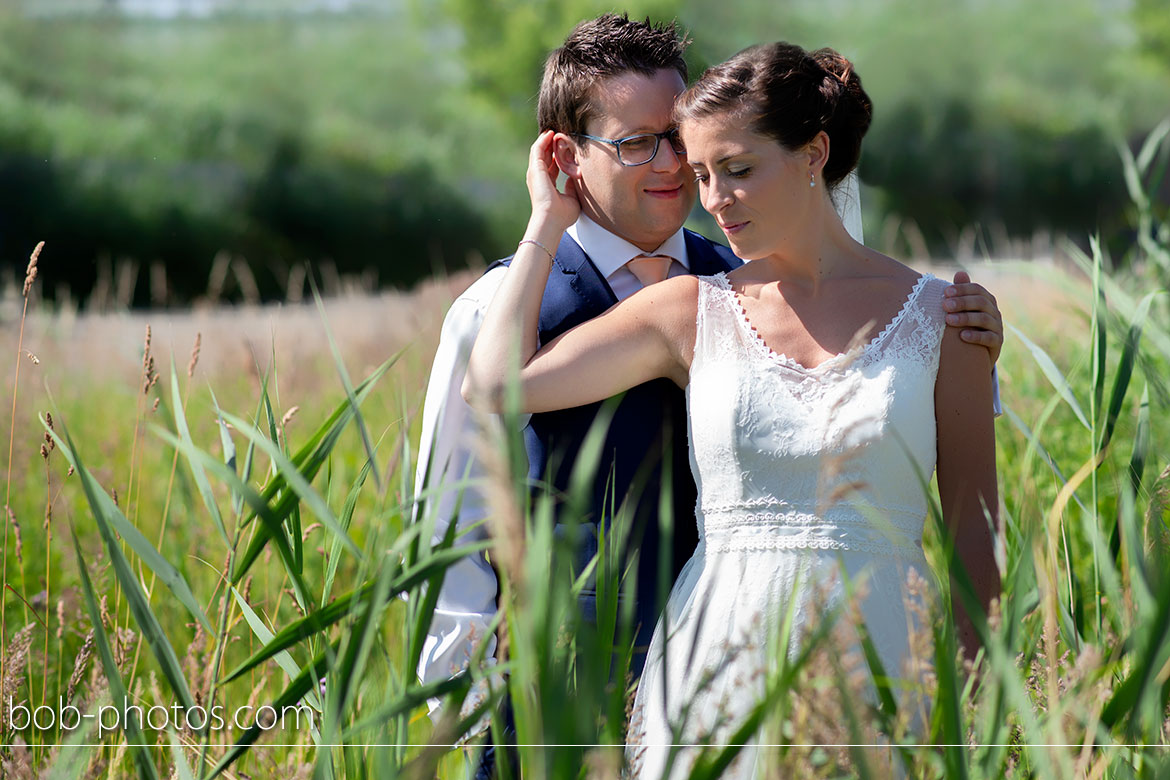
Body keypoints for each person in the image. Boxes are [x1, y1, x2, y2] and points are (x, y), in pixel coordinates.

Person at [461, 37, 999, 778]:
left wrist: (974, 705)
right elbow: (493, 385)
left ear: (814, 155)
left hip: (887, 658)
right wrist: (547, 221)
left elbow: (977, 536)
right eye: (704, 173)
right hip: (714, 664)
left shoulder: (948, 319)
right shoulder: (690, 310)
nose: (713, 199)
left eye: (738, 171)